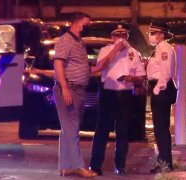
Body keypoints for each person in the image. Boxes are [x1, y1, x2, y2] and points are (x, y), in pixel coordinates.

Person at [53, 12, 125, 178]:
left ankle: (67, 166)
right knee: (72, 129)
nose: (88, 27)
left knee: (68, 129)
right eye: (87, 24)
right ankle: (77, 166)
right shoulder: (65, 40)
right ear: (77, 24)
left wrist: (114, 51)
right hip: (69, 88)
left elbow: (94, 68)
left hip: (78, 89)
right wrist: (65, 88)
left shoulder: (79, 42)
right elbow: (58, 65)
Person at [89, 23, 146, 176]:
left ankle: (120, 166)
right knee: (101, 131)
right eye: (117, 35)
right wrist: (115, 50)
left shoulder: (134, 53)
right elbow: (99, 67)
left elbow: (141, 78)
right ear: (112, 36)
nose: (121, 38)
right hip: (108, 93)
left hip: (125, 95)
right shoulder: (105, 50)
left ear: (127, 36)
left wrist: (133, 79)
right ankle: (95, 165)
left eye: (123, 35)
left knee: (123, 132)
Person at [147, 21, 177, 173]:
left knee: (161, 128)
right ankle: (163, 161)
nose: (150, 36)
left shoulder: (165, 48)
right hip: (158, 87)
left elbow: (166, 72)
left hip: (161, 88)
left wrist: (158, 89)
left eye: (153, 33)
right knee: (159, 128)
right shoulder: (159, 48)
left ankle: (166, 163)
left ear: (161, 34)